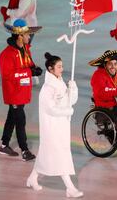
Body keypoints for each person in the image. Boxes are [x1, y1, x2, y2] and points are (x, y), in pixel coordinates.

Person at [27, 52, 83, 198]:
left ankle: (32, 178)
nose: (62, 69)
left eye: (62, 66)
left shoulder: (60, 82)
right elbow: (50, 109)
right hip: (52, 127)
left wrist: (73, 89)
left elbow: (71, 101)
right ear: (51, 69)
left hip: (62, 126)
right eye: (59, 67)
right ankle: (70, 188)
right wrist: (67, 111)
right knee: (60, 155)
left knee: (47, 154)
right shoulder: (47, 88)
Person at [0, 18, 43, 161]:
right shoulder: (6, 55)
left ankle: (4, 145)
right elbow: (8, 75)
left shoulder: (25, 49)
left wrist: (34, 68)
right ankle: (25, 150)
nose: (29, 37)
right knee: (20, 120)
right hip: (14, 93)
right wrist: (30, 73)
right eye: (27, 35)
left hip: (22, 91)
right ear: (19, 36)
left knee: (12, 117)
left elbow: (28, 63)